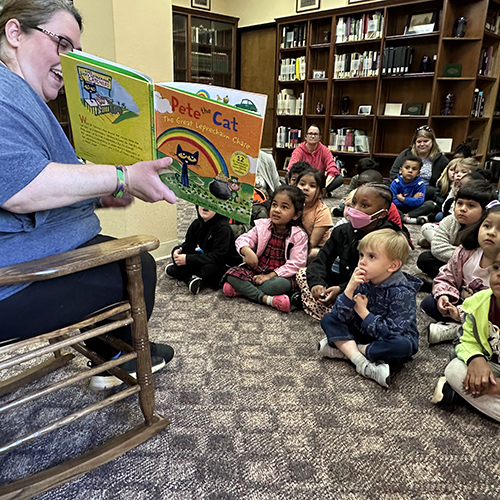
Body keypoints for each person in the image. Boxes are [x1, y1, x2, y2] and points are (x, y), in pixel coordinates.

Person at [0, 0, 177, 390]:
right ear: (15, 34)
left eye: (74, 53)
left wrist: (99, 194)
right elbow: (20, 190)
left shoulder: (18, 96)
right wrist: (119, 176)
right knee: (140, 265)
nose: (68, 63)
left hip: (28, 253)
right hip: (10, 280)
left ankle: (111, 351)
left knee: (118, 254)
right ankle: (119, 355)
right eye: (61, 44)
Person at [318, 229, 421, 388]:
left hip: (387, 337)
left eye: (371, 257)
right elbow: (340, 316)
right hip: (364, 332)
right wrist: (349, 290)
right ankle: (361, 362)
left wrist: (364, 314)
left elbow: (393, 331)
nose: (362, 262)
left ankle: (347, 349)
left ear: (393, 265)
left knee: (404, 346)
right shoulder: (364, 279)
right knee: (329, 319)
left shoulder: (402, 293)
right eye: (361, 255)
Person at [296, 183, 401, 320]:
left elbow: (376, 279)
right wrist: (317, 284)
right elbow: (322, 260)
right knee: (303, 274)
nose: (355, 209)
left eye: (364, 206)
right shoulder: (342, 231)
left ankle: (336, 314)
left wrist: (342, 289)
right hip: (342, 280)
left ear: (381, 214)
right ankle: (334, 311)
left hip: (367, 289)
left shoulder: (387, 238)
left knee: (374, 301)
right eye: (354, 203)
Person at [432, 253, 500, 421]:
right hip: (494, 364)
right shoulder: (478, 303)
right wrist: (475, 358)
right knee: (454, 369)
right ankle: (475, 395)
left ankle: (464, 396)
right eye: (497, 267)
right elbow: (467, 339)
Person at [422, 201, 500, 344]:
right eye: (487, 226)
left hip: (489, 315)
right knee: (429, 303)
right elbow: (447, 275)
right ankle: (463, 328)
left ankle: (458, 330)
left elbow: (492, 307)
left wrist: (461, 313)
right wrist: (445, 296)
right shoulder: (466, 251)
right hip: (462, 302)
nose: (491, 232)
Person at [222, 185, 308, 313]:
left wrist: (270, 276)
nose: (277, 210)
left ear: (296, 214)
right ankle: (266, 299)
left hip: (280, 274)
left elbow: (296, 264)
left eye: (284, 207)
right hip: (258, 270)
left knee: (281, 285)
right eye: (274, 205)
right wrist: (246, 250)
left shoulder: (299, 235)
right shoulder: (262, 225)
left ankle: (242, 290)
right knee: (231, 274)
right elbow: (243, 239)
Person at [416, 180, 497, 284]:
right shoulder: (450, 220)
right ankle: (451, 284)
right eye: (459, 203)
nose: (463, 209)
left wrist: (469, 259)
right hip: (455, 264)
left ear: (485, 211)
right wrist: (465, 257)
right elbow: (437, 248)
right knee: (425, 258)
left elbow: (485, 259)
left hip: (478, 271)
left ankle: (445, 284)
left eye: (471, 206)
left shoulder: (487, 229)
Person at [165, 206, 241, 294]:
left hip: (224, 263)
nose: (205, 206)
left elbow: (218, 256)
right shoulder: (197, 224)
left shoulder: (223, 228)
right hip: (207, 255)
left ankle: (186, 275)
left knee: (207, 270)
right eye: (202, 203)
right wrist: (178, 252)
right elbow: (188, 244)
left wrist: (188, 260)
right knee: (181, 255)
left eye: (210, 204)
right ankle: (190, 276)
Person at [389, 126, 449, 200]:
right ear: (415, 142)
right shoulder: (406, 154)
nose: (422, 144)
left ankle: (409, 211)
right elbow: (393, 174)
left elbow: (445, 181)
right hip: (404, 189)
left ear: (432, 142)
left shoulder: (441, 159)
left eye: (426, 141)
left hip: (427, 194)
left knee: (430, 200)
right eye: (419, 141)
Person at [287, 125, 343, 195]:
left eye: (315, 134)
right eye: (310, 134)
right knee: (289, 176)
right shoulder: (298, 150)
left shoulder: (324, 150)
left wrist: (323, 186)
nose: (313, 136)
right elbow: (292, 168)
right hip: (303, 181)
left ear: (319, 137)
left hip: (318, 181)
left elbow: (332, 168)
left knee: (339, 179)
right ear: (306, 137)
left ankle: (320, 191)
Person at [296, 168, 333, 262]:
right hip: (293, 243)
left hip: (312, 247)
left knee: (313, 253)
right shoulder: (293, 205)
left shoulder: (322, 211)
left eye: (312, 186)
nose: (305, 188)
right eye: (302, 184)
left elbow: (312, 243)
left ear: (321, 192)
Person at [390, 155, 435, 224]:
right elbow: (393, 200)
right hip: (399, 208)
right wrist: (412, 199)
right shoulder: (395, 183)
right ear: (400, 170)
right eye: (407, 168)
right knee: (389, 205)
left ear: (418, 173)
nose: (410, 171)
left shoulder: (420, 185)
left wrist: (403, 199)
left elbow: (419, 201)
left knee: (430, 205)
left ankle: (407, 216)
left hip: (413, 208)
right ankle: (408, 219)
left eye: (414, 169)